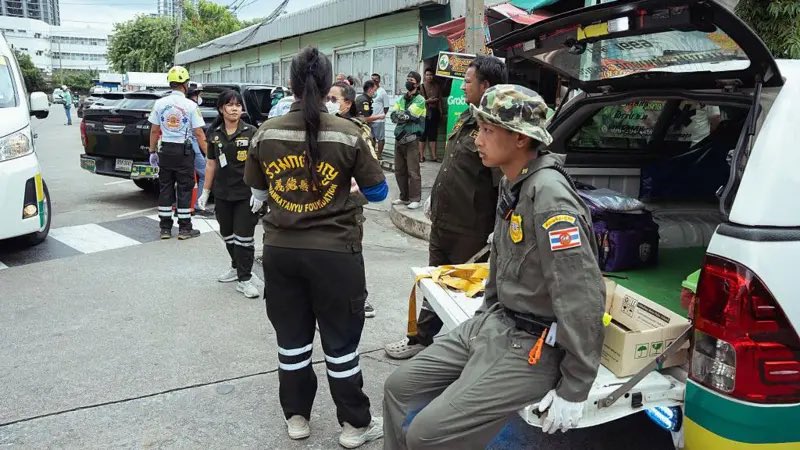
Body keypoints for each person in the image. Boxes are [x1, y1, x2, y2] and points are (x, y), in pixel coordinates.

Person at [383, 85, 606, 449]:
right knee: (398, 387)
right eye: (479, 128)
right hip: (495, 324)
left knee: (426, 434)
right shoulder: (513, 182)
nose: (477, 139)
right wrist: (487, 310)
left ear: (519, 138)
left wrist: (576, 386)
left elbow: (580, 294)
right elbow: (501, 257)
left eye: (488, 130)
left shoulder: (549, 197)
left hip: (532, 347)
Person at [244, 47, 388, 448]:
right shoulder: (348, 132)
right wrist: (345, 194)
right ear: (329, 86)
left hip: (280, 251)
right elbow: (378, 191)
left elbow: (257, 191)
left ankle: (297, 419)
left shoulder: (266, 132)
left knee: (291, 341)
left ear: (291, 83)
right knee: (341, 344)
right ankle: (354, 426)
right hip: (335, 254)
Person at [384, 55, 506, 360]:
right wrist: (433, 197)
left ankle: (468, 351)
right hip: (444, 219)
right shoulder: (468, 117)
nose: (462, 86)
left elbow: (503, 183)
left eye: (467, 81)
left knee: (465, 293)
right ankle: (420, 338)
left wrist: (500, 227)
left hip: (471, 227)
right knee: (433, 282)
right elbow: (453, 163)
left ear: (486, 85)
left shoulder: (496, 128)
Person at [197, 90, 261, 299]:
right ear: (221, 108)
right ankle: (236, 268)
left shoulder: (251, 132)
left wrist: (261, 192)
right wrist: (205, 192)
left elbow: (262, 163)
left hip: (246, 194)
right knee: (228, 235)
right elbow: (211, 164)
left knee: (244, 238)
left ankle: (245, 279)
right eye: (230, 105)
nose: (235, 109)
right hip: (223, 194)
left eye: (238, 105)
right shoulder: (214, 134)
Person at [326, 80, 379, 319]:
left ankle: (361, 299)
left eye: (334, 99)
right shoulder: (322, 126)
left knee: (351, 252)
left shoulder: (357, 130)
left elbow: (370, 169)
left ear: (348, 103)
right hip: (323, 201)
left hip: (348, 202)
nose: (328, 104)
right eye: (326, 99)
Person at [148, 66, 207, 240]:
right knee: (184, 189)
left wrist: (152, 151)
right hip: (184, 152)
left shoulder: (159, 103)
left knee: (165, 188)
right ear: (186, 84)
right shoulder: (190, 105)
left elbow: (154, 130)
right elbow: (199, 133)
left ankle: (165, 229)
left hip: (165, 150)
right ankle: (184, 229)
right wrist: (209, 154)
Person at [389, 77, 426, 210]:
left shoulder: (420, 100)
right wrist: (403, 115)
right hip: (399, 139)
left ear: (417, 83)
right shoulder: (401, 99)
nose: (408, 81)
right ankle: (404, 197)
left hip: (412, 139)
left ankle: (415, 199)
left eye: (411, 79)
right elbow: (393, 116)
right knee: (399, 170)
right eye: (407, 79)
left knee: (413, 171)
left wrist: (404, 115)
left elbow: (410, 115)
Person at [186, 82, 212, 216]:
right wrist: (209, 154)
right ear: (195, 95)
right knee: (204, 174)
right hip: (191, 144)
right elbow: (198, 132)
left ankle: (180, 204)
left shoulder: (179, 104)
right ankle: (198, 205)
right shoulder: (192, 107)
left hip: (172, 146)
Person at [419, 68, 442, 162]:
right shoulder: (421, 87)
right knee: (423, 135)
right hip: (424, 113)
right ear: (424, 76)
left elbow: (439, 100)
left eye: (431, 75)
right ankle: (421, 156)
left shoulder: (437, 86)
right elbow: (418, 102)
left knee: (433, 135)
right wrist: (428, 101)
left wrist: (440, 112)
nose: (429, 77)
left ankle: (434, 156)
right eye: (427, 75)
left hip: (434, 112)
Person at [369, 74, 390, 160]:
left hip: (379, 120)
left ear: (379, 80)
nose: (374, 81)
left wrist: (382, 116)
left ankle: (379, 154)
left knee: (380, 138)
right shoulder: (369, 91)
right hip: (370, 118)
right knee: (371, 138)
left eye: (376, 79)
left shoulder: (382, 92)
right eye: (372, 79)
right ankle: (373, 153)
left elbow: (386, 106)